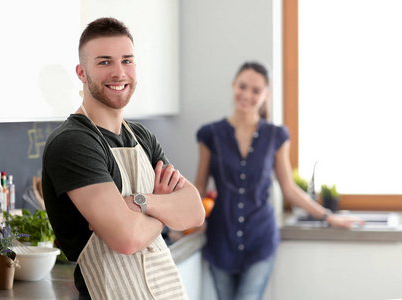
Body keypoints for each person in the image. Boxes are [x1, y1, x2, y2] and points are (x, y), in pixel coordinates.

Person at [42, 17, 205, 300]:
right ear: (82, 72)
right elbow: (126, 239)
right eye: (104, 62)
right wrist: (165, 209)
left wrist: (142, 203)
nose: (119, 73)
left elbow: (194, 211)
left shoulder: (142, 136)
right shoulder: (73, 142)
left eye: (127, 61)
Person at [194, 61, 364, 300]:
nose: (247, 95)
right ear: (234, 86)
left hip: (260, 239)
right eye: (243, 86)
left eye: (256, 90)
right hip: (220, 240)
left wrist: (328, 216)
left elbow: (289, 189)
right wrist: (182, 224)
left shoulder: (275, 136)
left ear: (265, 95)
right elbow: (198, 188)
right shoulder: (210, 134)